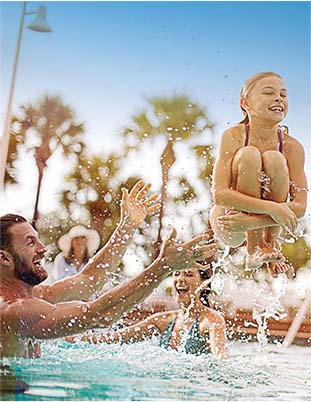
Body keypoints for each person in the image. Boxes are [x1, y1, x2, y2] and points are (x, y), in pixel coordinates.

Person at [0, 181, 217, 358]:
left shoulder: (36, 295)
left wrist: (126, 226)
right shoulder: (13, 312)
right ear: (4, 257)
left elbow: (90, 279)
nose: (43, 248)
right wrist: (162, 267)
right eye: (30, 243)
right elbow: (100, 315)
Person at [210, 72, 307, 278]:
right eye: (268, 92)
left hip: (261, 224)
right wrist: (273, 209)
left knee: (275, 159)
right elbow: (219, 194)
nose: (279, 98)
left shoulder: (292, 147)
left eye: (283, 94)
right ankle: (254, 247)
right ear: (246, 103)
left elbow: (300, 207)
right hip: (230, 220)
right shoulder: (233, 136)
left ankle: (269, 246)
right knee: (249, 154)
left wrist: (253, 222)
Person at [69, 256, 227, 359]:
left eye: (188, 274)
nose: (180, 279)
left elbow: (220, 358)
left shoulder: (211, 320)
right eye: (176, 273)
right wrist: (74, 339)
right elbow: (117, 338)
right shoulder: (164, 320)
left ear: (203, 284)